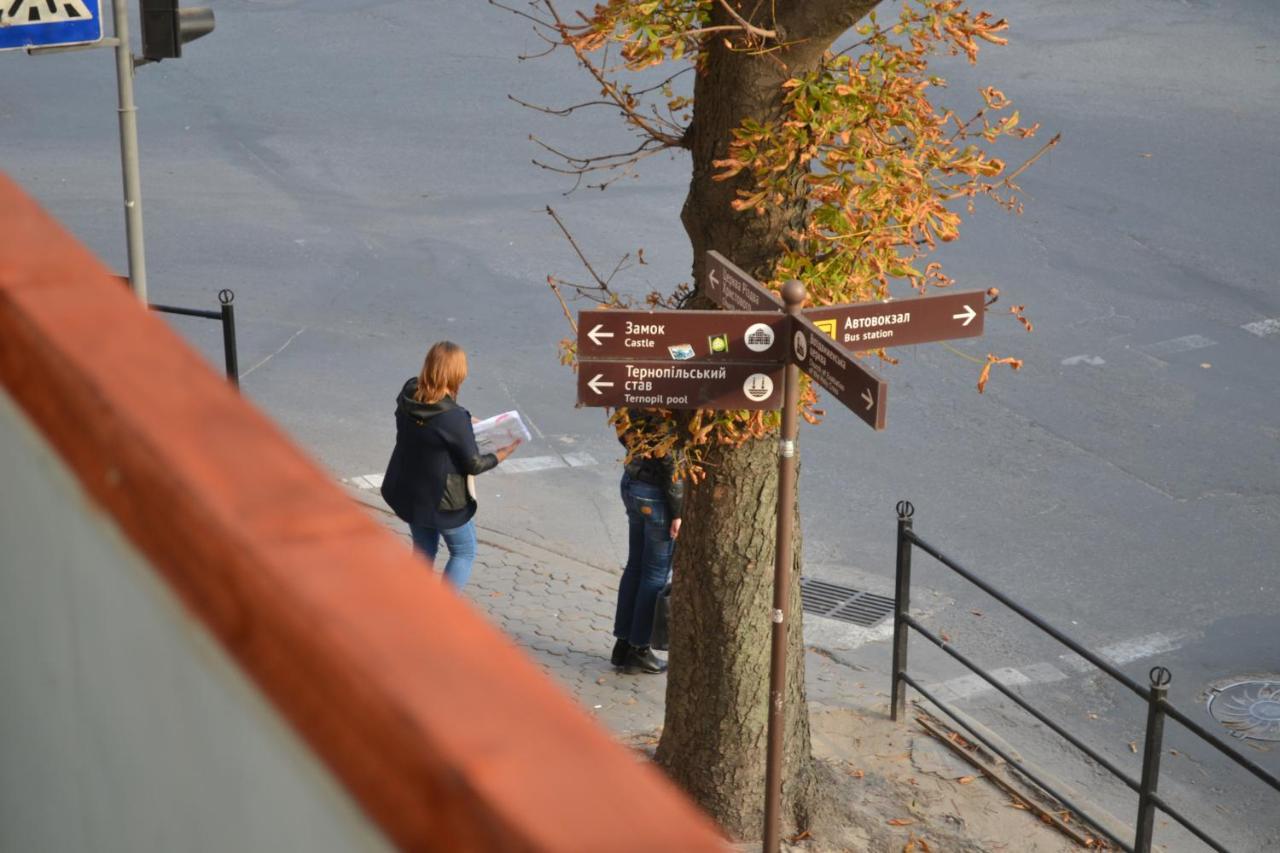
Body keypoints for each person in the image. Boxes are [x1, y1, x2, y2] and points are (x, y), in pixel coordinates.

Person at [381, 342, 520, 588]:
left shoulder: (410, 391)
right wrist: (503, 453)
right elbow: (474, 464)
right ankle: (440, 615)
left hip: (411, 490)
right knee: (464, 552)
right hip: (443, 501)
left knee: (424, 550)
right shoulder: (452, 417)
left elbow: (439, 421)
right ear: (458, 373)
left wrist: (466, 421)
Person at [612, 415, 684, 674]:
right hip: (657, 493)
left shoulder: (636, 388)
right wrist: (678, 511)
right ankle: (639, 648)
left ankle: (623, 642)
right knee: (654, 574)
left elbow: (625, 433)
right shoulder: (668, 398)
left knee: (636, 567)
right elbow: (671, 460)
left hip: (634, 482)